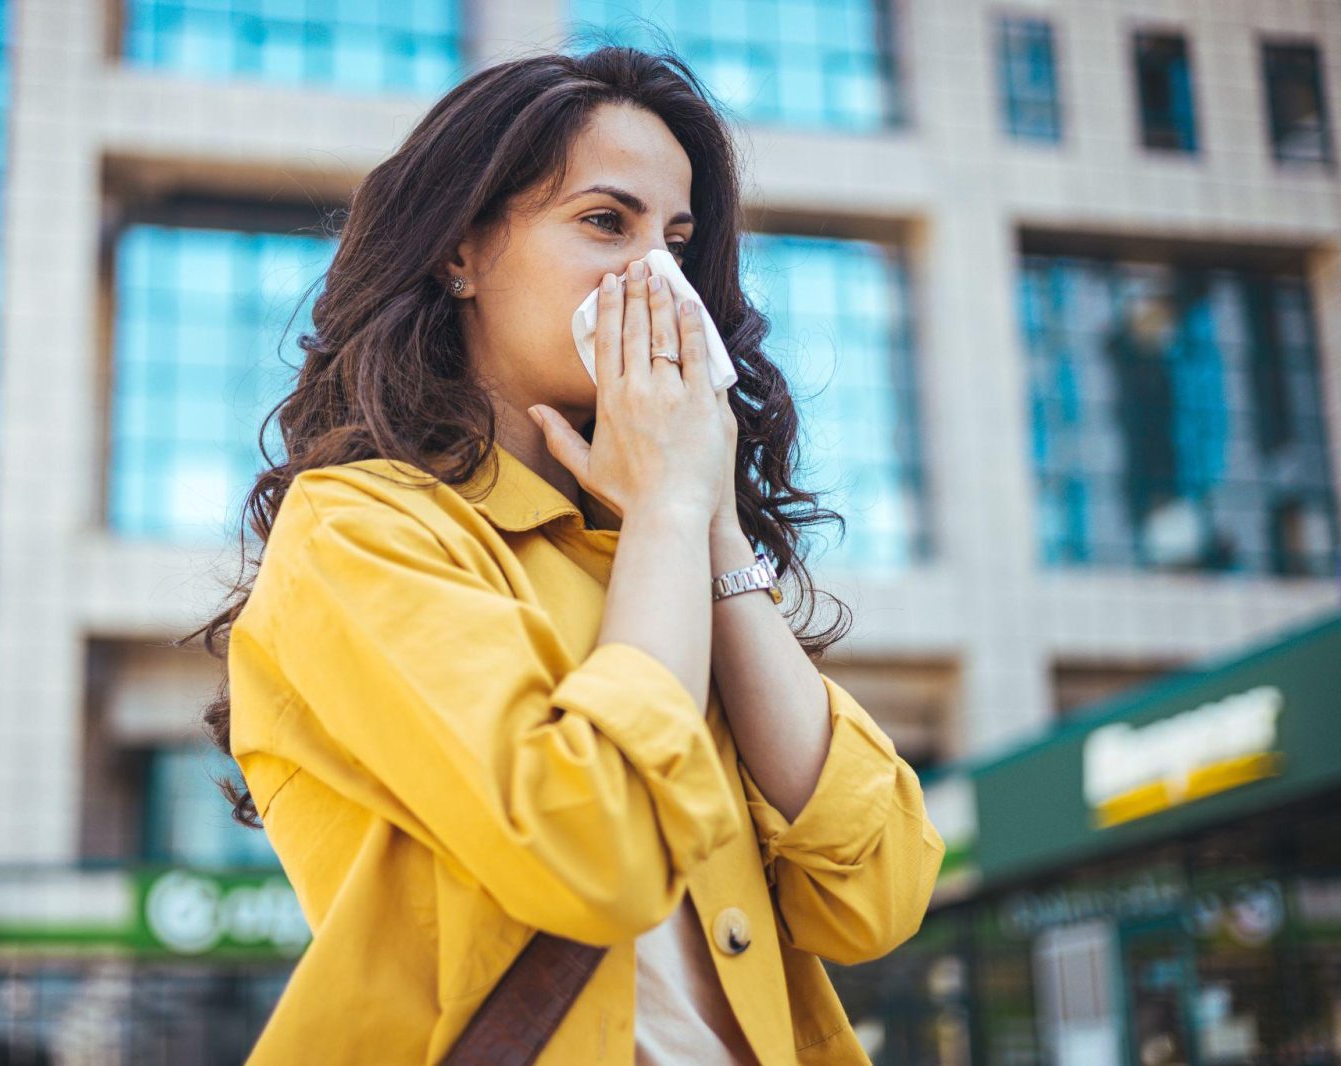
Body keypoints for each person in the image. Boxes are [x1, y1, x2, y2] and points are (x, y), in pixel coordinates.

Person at [188, 41, 944, 1065]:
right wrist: (670, 520)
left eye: (678, 242)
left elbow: (879, 892)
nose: (657, 279)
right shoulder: (360, 529)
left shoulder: (655, 550)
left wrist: (705, 518)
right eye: (604, 222)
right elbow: (595, 850)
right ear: (460, 249)